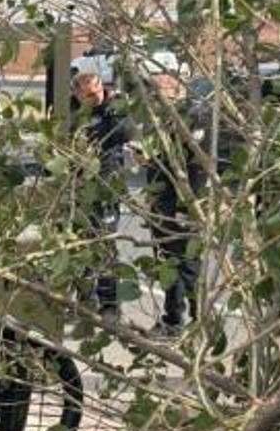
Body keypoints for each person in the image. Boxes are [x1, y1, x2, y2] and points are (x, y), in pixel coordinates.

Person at [142, 73, 203, 335]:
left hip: (182, 207)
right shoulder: (159, 123)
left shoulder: (189, 122)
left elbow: (196, 169)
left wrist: (185, 208)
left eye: (159, 93)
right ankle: (174, 318)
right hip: (162, 206)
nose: (153, 99)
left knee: (185, 265)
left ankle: (192, 318)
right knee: (168, 262)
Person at [71, 70, 129, 321]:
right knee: (80, 243)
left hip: (107, 184)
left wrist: (112, 108)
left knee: (105, 244)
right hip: (81, 187)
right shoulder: (76, 115)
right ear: (77, 94)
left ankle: (110, 303)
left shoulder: (114, 110)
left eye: (97, 92)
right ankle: (85, 298)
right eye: (88, 95)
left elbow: (125, 133)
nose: (95, 97)